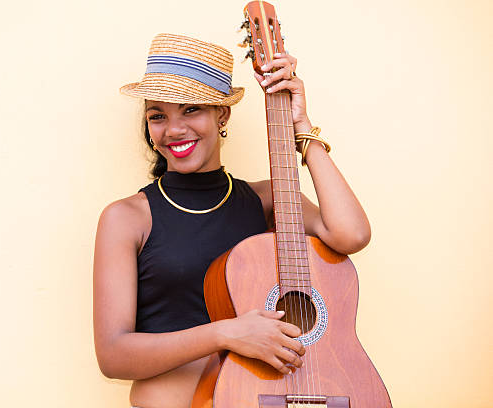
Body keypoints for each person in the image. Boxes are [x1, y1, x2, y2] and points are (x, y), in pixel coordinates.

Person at [93, 33, 371, 408]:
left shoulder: (268, 199)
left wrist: (301, 127)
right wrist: (227, 333)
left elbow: (351, 234)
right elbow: (113, 355)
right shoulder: (126, 218)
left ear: (221, 114)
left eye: (191, 109)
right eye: (158, 115)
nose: (173, 130)